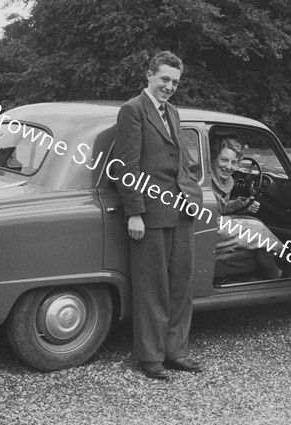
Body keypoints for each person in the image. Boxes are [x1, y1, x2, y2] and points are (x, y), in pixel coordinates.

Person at [111, 51, 203, 380]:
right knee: (152, 289)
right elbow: (125, 167)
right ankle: (150, 357)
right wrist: (135, 213)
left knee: (180, 285)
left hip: (182, 213)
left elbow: (184, 163)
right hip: (150, 214)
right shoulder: (133, 110)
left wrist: (193, 194)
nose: (169, 87)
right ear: (149, 75)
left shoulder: (174, 112)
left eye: (175, 82)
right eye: (164, 79)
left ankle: (176, 352)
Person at [210, 137, 284, 279]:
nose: (229, 167)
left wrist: (242, 205)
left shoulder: (225, 180)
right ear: (214, 158)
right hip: (211, 227)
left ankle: (268, 264)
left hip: (216, 223)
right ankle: (286, 261)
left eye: (234, 162)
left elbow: (222, 207)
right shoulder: (207, 179)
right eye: (224, 160)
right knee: (257, 228)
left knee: (255, 223)